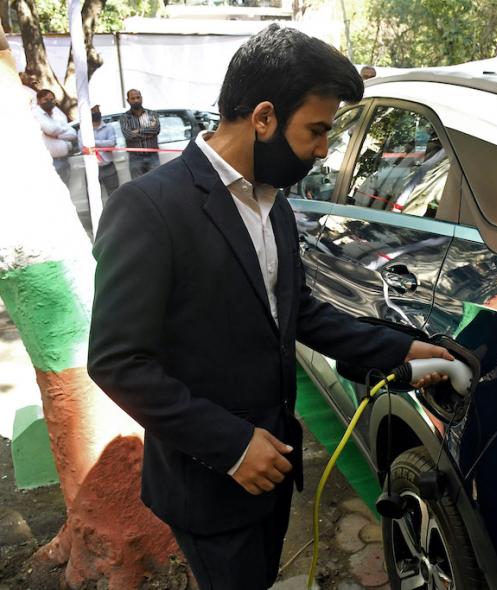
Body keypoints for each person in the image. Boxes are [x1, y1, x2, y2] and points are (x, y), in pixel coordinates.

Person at [87, 24, 452, 590]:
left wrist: (402, 350)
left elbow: (298, 314)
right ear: (263, 118)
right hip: (210, 480)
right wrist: (231, 447)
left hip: (272, 472)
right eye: (316, 130)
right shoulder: (148, 208)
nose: (324, 148)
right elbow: (117, 362)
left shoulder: (273, 204)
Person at [32, 89, 76, 185]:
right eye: (46, 99)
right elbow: (51, 130)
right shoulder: (36, 114)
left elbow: (73, 133)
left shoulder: (55, 115)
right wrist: (63, 129)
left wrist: (57, 135)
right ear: (39, 101)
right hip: (51, 162)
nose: (49, 102)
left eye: (52, 99)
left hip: (64, 160)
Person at [79, 106, 119, 201]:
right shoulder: (83, 130)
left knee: (114, 197)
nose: (96, 113)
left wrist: (92, 142)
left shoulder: (109, 128)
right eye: (93, 111)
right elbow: (83, 148)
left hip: (108, 167)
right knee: (93, 198)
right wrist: (103, 143)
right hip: (91, 169)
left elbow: (112, 143)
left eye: (97, 110)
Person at [119, 89, 161, 178]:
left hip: (153, 156)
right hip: (135, 158)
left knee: (156, 183)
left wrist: (137, 131)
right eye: (133, 98)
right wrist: (148, 131)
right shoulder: (125, 117)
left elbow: (156, 130)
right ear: (128, 100)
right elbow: (128, 135)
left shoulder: (151, 114)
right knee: (138, 186)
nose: (136, 100)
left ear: (142, 98)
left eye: (138, 97)